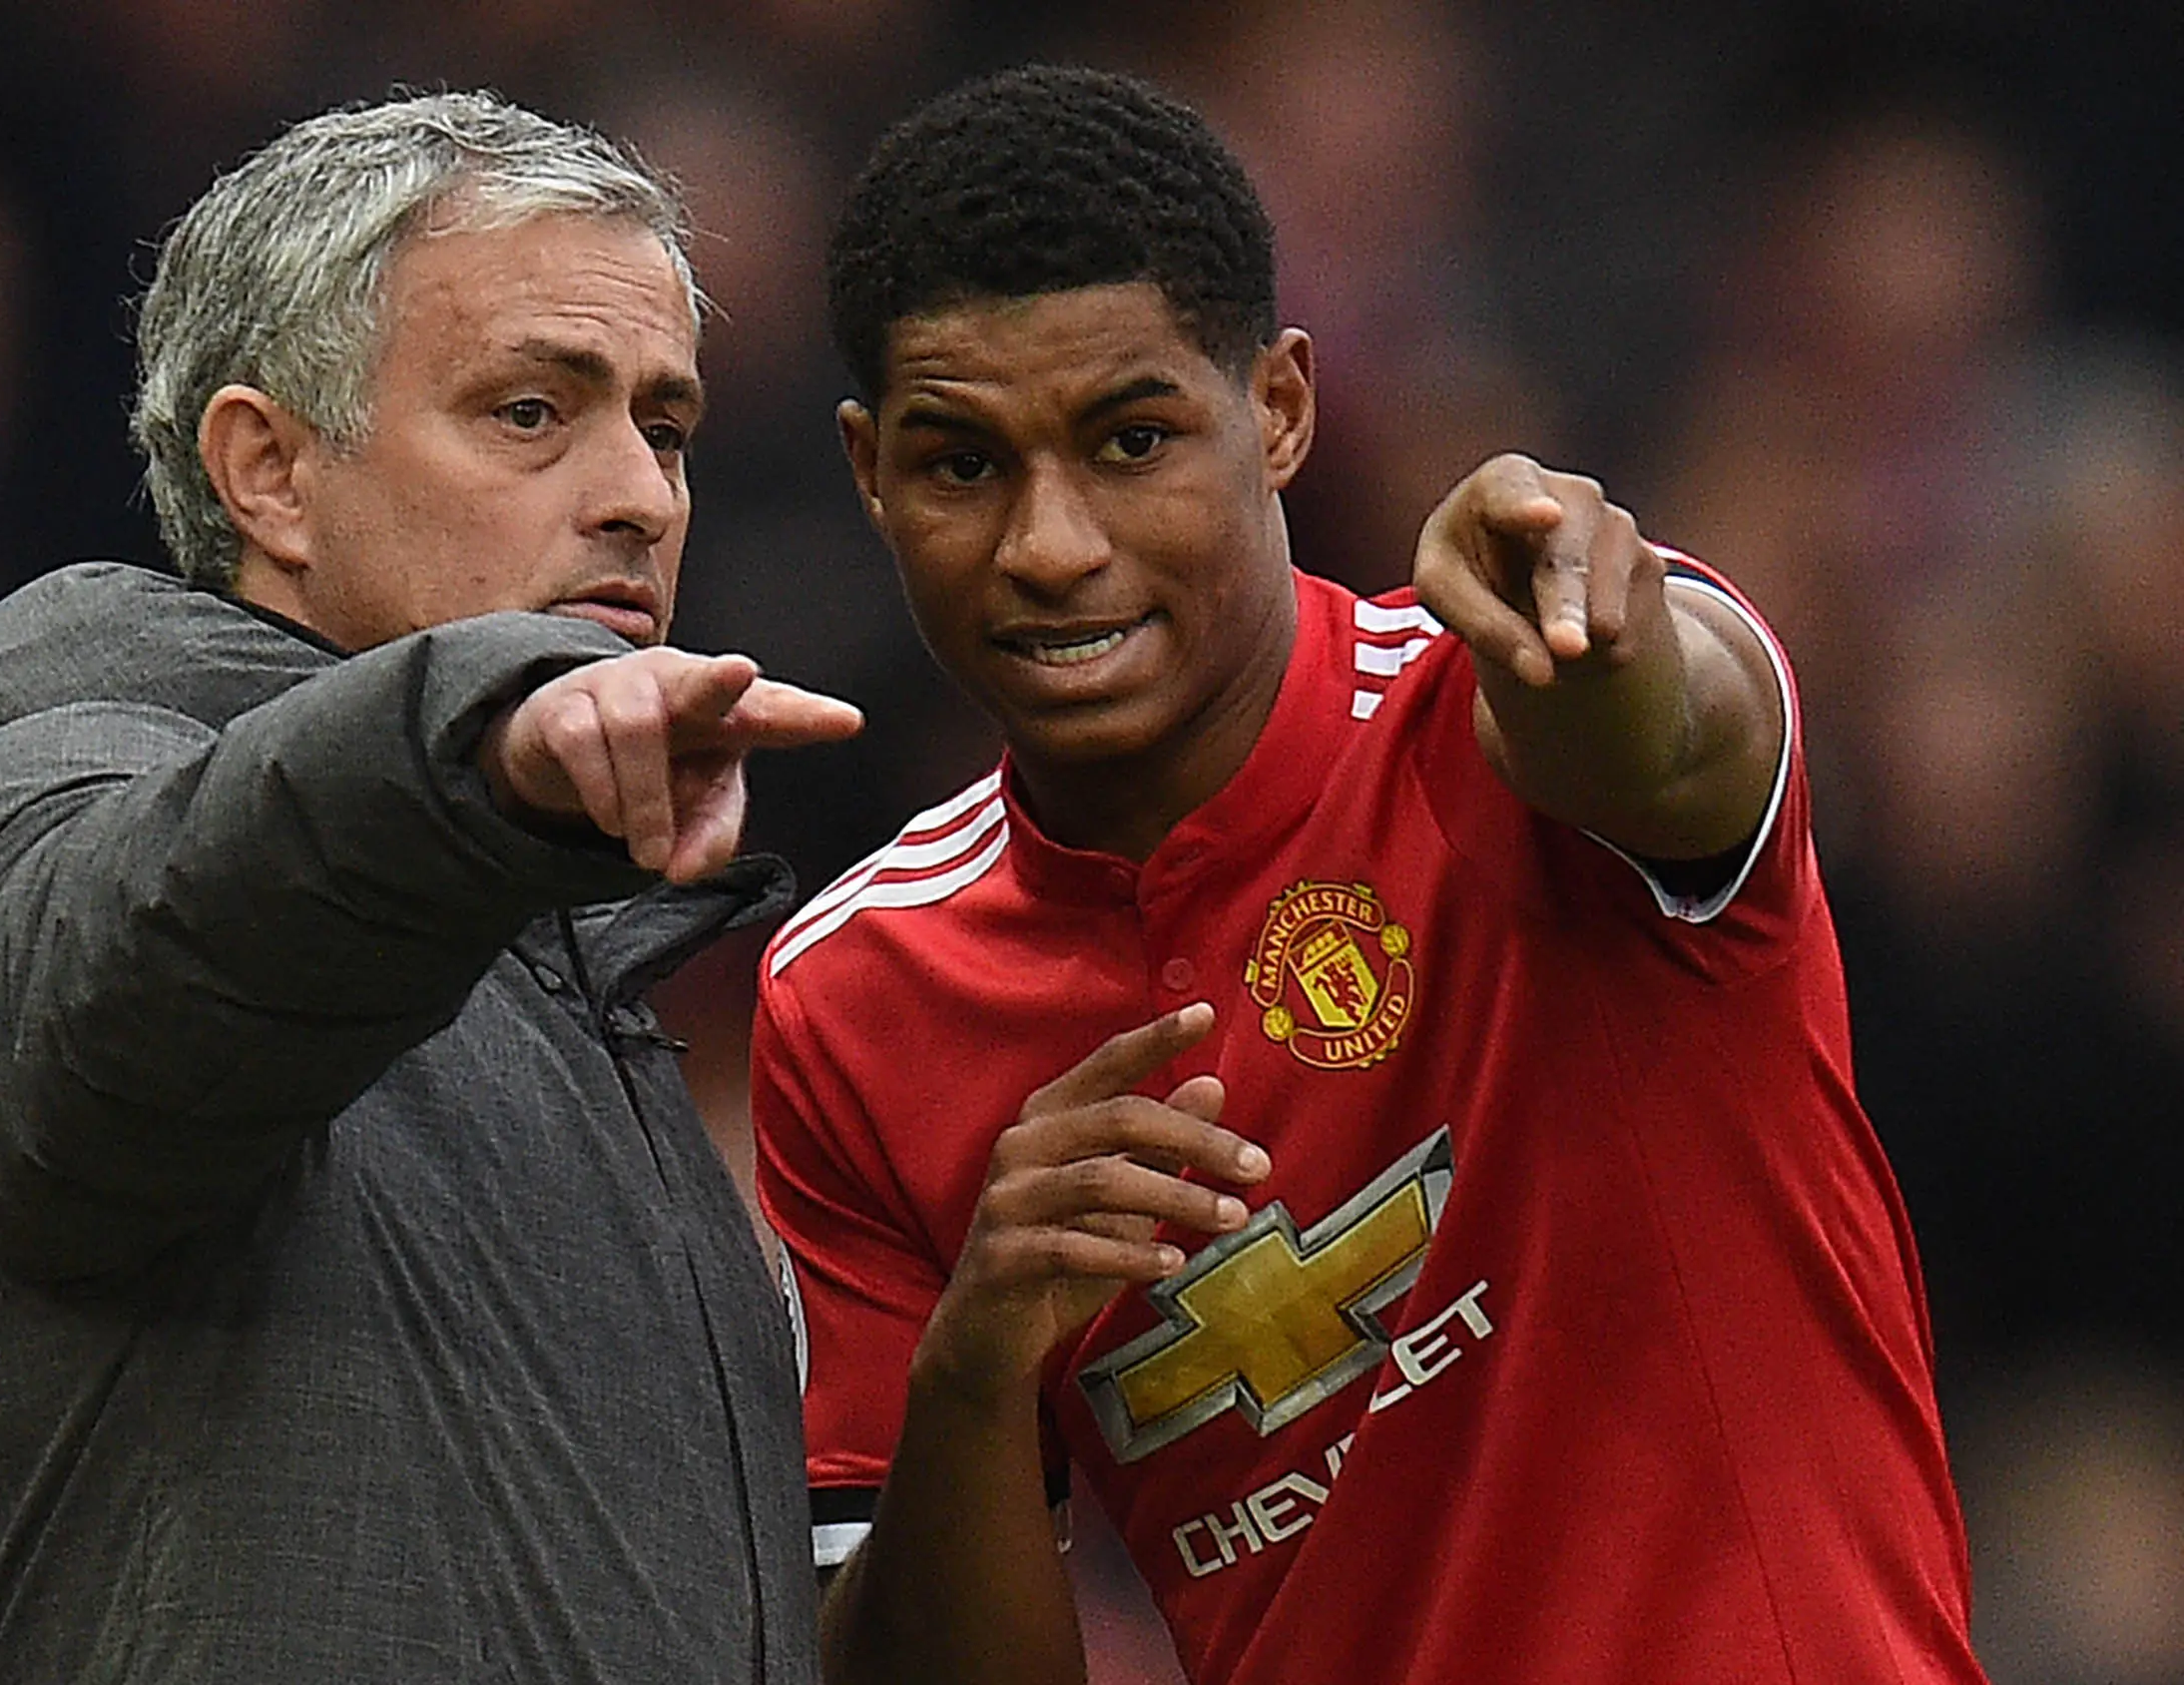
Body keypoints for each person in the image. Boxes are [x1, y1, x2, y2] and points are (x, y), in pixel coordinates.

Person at [753, 65, 1987, 1685]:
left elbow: (1670, 737)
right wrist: (978, 1371)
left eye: (1131, 439)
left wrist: (1592, 653)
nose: (1048, 543)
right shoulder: (850, 1003)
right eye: (962, 464)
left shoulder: (1499, 712)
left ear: (1278, 409)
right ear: (866, 472)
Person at [0, 90, 858, 1683]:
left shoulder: (579, 961)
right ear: (270, 471)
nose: (641, 495)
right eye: (530, 411)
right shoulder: (29, 757)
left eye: (666, 424)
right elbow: (121, 1006)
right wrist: (477, 756)